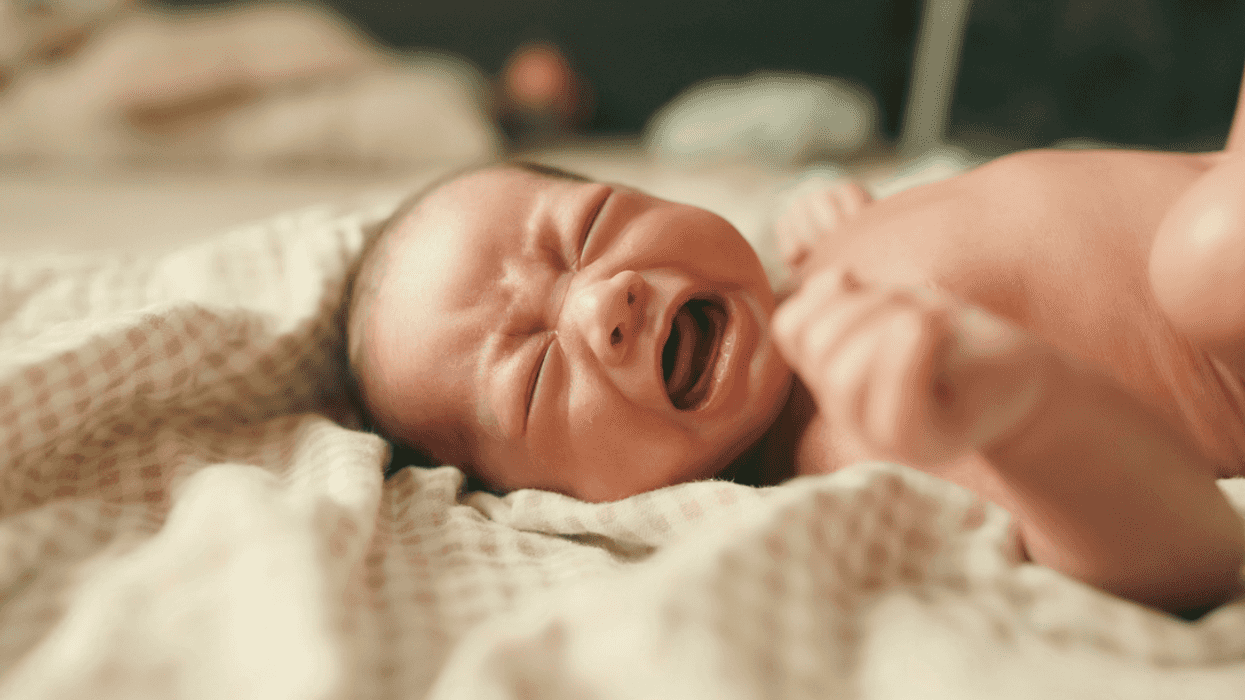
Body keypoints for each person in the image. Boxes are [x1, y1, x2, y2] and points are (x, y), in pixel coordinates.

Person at [345, 75, 1245, 617]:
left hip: (1214, 176)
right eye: (537, 373)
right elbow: (1184, 554)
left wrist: (856, 222)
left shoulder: (806, 265)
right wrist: (1017, 405)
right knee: (1206, 263)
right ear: (552, 501)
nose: (600, 301)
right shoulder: (858, 440)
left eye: (589, 228)